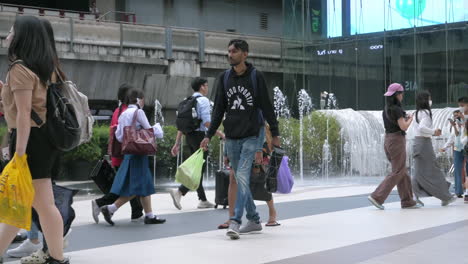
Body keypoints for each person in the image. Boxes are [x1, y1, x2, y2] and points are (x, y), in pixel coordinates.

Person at [0, 16, 68, 264]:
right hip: (44, 140)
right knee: (24, 200)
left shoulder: (19, 68)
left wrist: (18, 153)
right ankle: (57, 257)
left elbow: (24, 115)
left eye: (11, 31)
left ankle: (58, 258)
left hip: (30, 142)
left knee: (42, 203)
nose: (7, 36)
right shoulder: (44, 67)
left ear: (22, 37)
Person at [200, 39, 281, 240]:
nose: (230, 54)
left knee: (243, 176)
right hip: (232, 136)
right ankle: (254, 219)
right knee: (238, 178)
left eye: (234, 51)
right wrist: (208, 136)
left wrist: (276, 134)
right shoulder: (224, 78)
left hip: (252, 134)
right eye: (228, 51)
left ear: (245, 54)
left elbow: (267, 106)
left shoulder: (256, 77)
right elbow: (218, 109)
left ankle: (235, 221)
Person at [100, 89, 166, 226]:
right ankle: (110, 208)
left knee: (144, 184)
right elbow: (149, 131)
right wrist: (157, 129)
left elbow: (119, 136)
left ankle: (149, 215)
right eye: (143, 99)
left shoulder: (123, 114)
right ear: (138, 99)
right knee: (138, 186)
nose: (143, 102)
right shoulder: (138, 112)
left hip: (129, 152)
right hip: (139, 153)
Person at [91, 84, 144, 223]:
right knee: (127, 186)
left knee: (130, 184)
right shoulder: (129, 112)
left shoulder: (117, 111)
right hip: (126, 155)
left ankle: (137, 213)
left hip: (119, 154)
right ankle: (101, 203)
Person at [169, 77, 224, 210]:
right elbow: (206, 122)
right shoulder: (203, 100)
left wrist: (177, 144)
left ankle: (203, 200)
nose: (207, 88)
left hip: (190, 137)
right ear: (201, 87)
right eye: (206, 85)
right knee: (198, 170)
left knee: (197, 168)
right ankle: (180, 192)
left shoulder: (187, 101)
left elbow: (182, 126)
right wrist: (221, 133)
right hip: (200, 137)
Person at [218, 124, 280, 230]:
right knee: (233, 178)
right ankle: (232, 218)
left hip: (255, 138)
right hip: (236, 140)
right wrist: (226, 151)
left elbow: (262, 120)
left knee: (260, 177)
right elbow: (229, 124)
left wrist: (261, 147)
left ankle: (271, 211)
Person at [368, 83, 419, 210]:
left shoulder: (386, 109)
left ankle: (407, 201)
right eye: (401, 94)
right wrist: (410, 119)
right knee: (398, 171)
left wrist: (404, 117)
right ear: (397, 95)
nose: (402, 96)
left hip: (388, 140)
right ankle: (377, 196)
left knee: (402, 170)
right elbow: (404, 126)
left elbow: (396, 122)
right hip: (397, 140)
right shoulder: (396, 109)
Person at [412, 91, 456, 206]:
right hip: (424, 143)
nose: (431, 100)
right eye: (429, 98)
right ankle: (446, 196)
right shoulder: (426, 112)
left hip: (417, 143)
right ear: (425, 100)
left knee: (418, 172)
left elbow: (418, 128)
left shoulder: (417, 112)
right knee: (434, 169)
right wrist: (434, 132)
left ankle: (415, 197)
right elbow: (422, 128)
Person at [440, 110, 465, 198]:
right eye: (454, 116)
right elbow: (452, 137)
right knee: (457, 170)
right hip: (457, 149)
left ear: (461, 114)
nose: (455, 117)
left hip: (466, 148)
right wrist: (445, 147)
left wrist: (459, 125)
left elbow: (461, 134)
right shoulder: (454, 126)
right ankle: (458, 191)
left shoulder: (465, 123)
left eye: (457, 115)